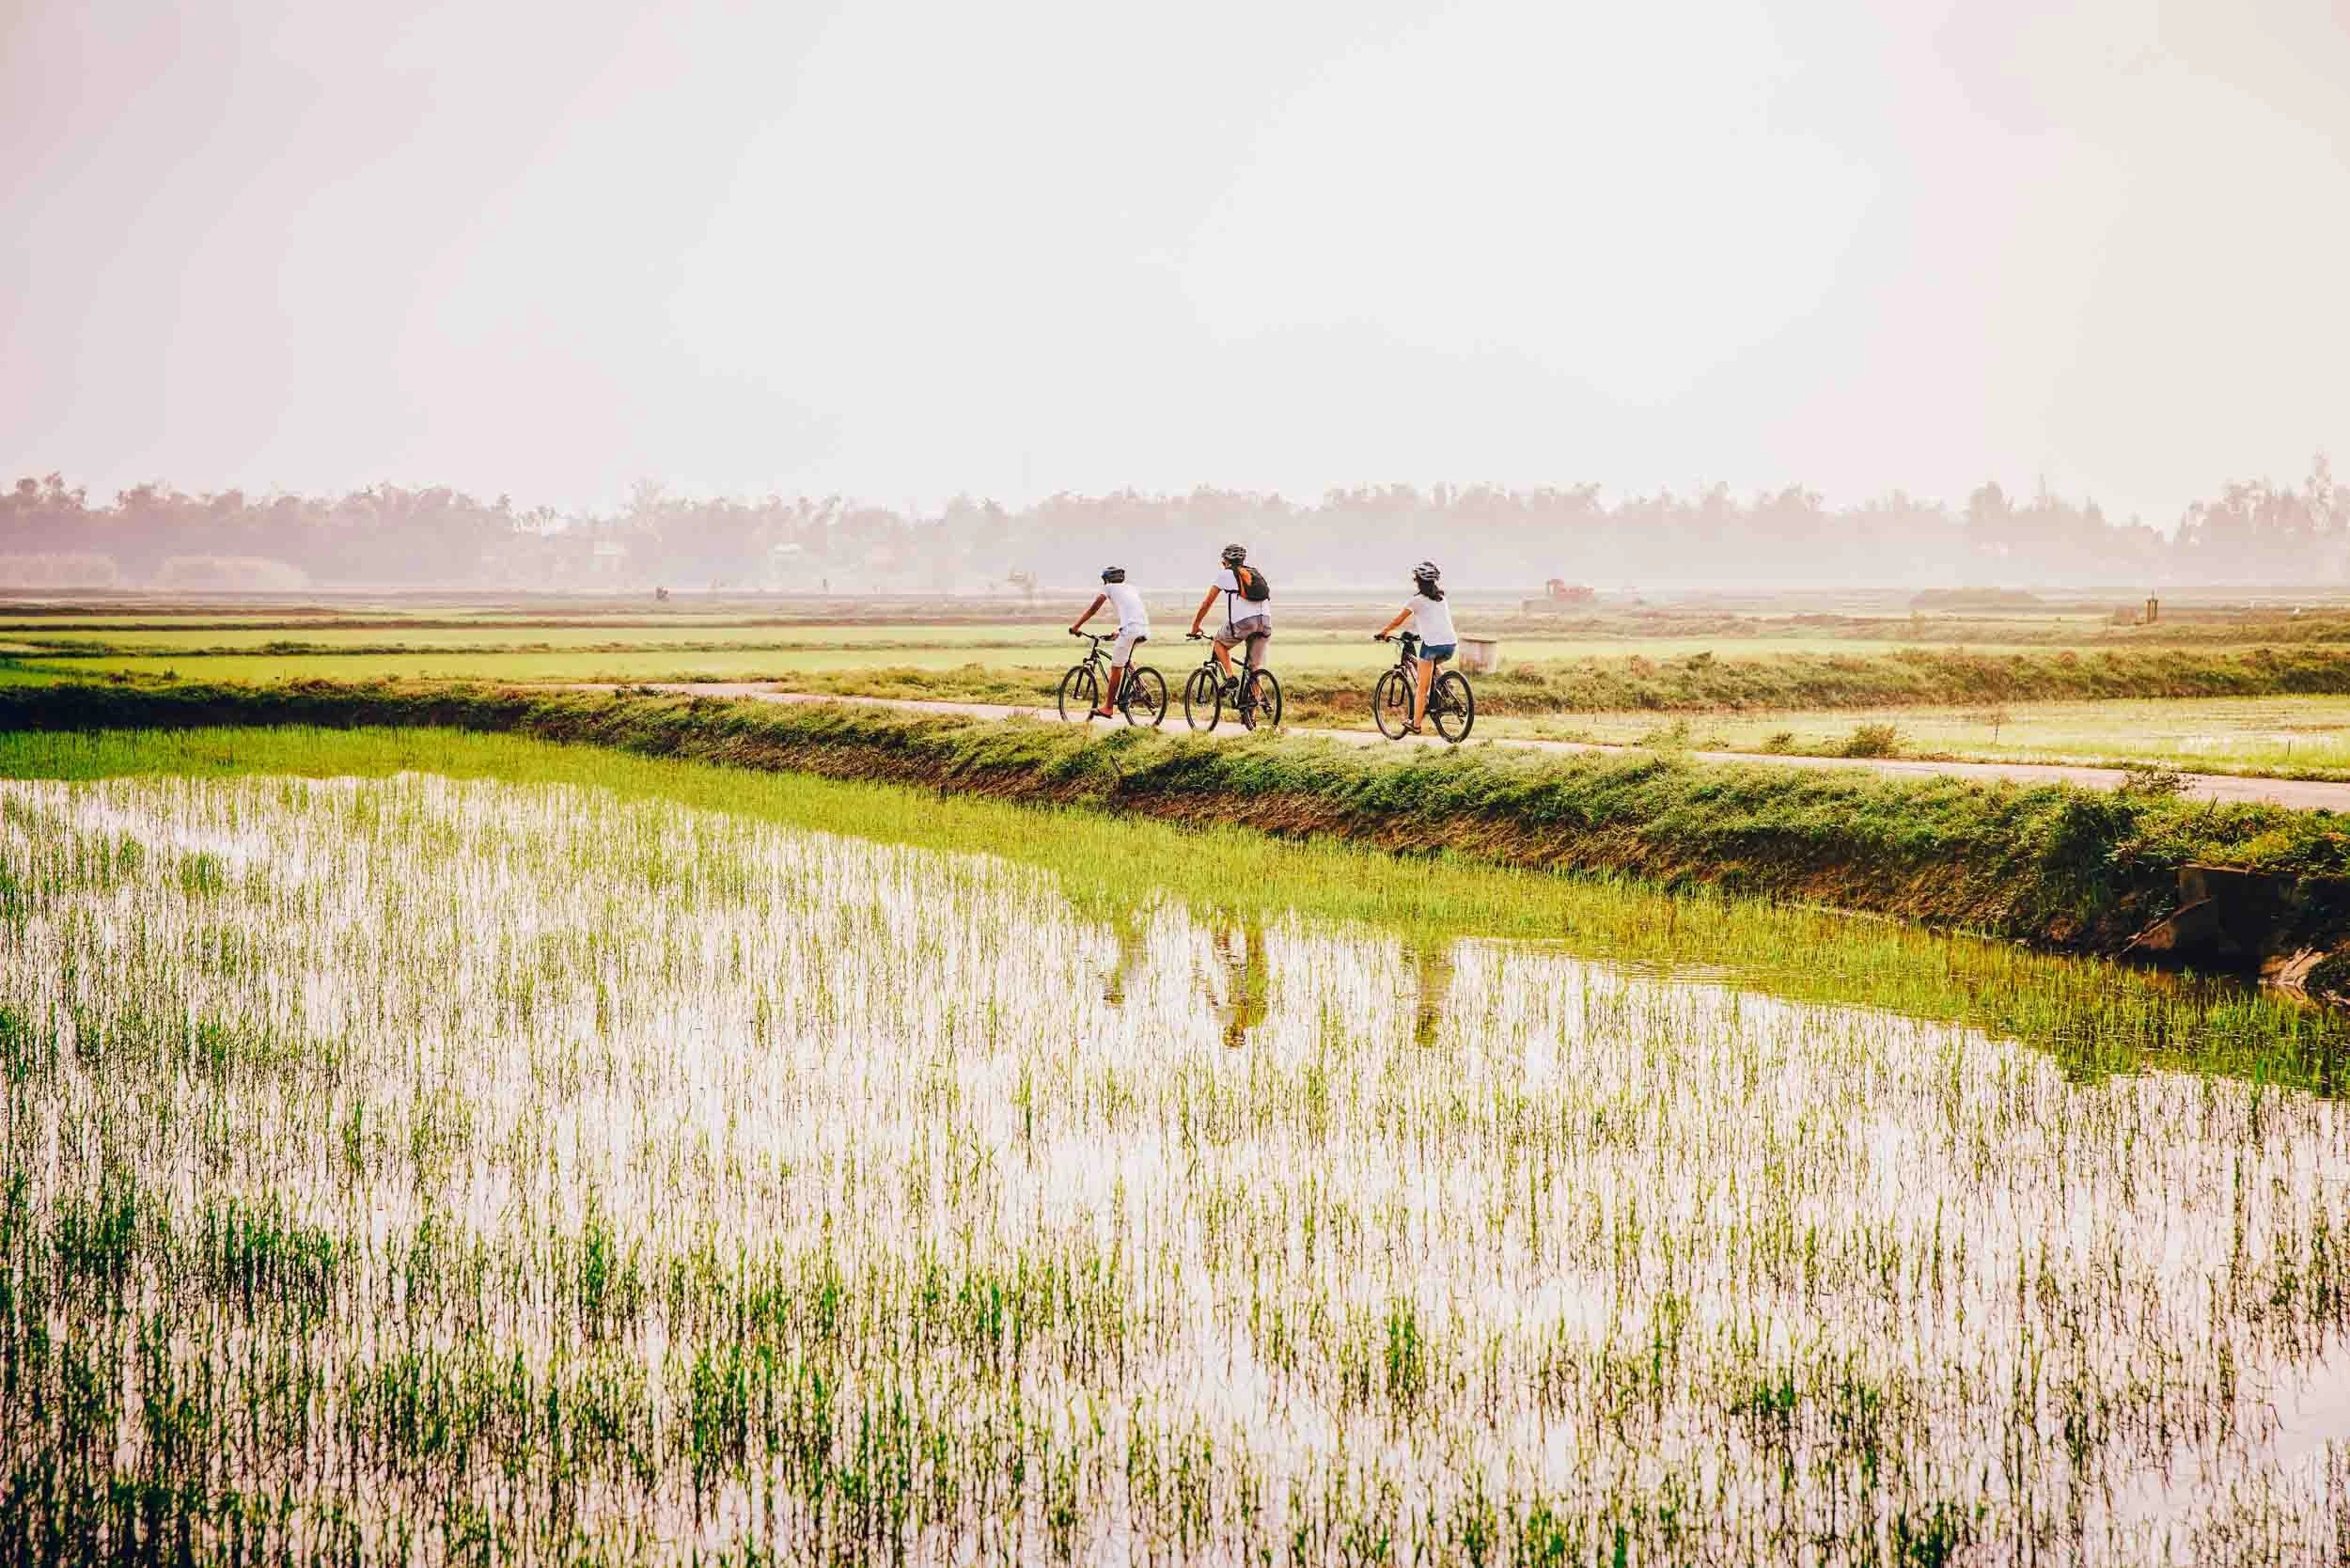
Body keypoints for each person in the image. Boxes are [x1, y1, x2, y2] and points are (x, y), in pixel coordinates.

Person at [1372, 560, 1456, 736]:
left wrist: (1384, 632)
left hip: (1432, 645)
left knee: (1422, 688)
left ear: (1418, 580)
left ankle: (1416, 724)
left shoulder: (1416, 600)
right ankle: (1446, 684)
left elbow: (1398, 620)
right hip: (1450, 645)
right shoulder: (1442, 599)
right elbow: (1434, 621)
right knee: (1429, 664)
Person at [1187, 542, 1272, 714]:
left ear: (1224, 561)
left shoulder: (1226, 574)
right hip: (1265, 622)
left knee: (1219, 642)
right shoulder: (1253, 573)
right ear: (1243, 560)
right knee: (1254, 668)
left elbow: (1206, 603)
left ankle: (1231, 678)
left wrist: (1195, 626)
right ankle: (1252, 715)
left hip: (1244, 622)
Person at [1069, 565, 1150, 719]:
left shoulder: (1108, 588)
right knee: (1125, 657)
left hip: (1130, 630)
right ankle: (1140, 685)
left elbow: (1093, 609)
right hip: (1144, 629)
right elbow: (1133, 611)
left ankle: (1107, 708)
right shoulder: (1131, 588)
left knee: (1115, 668)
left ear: (1106, 580)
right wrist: (1118, 630)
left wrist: (1076, 626)